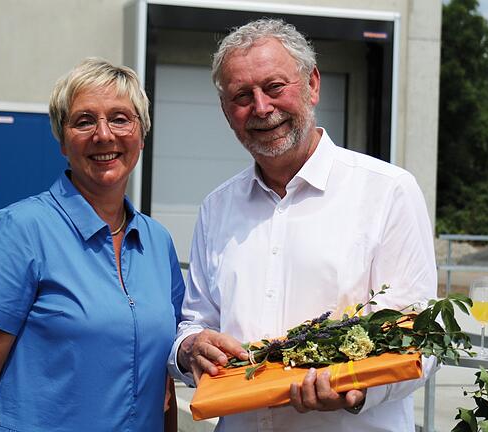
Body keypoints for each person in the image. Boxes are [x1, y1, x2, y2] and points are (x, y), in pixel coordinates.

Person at [168, 19, 438, 431]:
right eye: (242, 96)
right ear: (226, 112)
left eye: (274, 87)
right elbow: (197, 321)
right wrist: (190, 347)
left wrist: (358, 390)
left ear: (312, 84)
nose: (261, 108)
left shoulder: (388, 192)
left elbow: (422, 339)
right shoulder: (216, 208)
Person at [0, 58, 185, 431]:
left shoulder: (157, 242)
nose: (104, 134)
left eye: (121, 118)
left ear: (142, 134)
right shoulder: (21, 230)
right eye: (84, 120)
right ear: (62, 140)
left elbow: (164, 383)